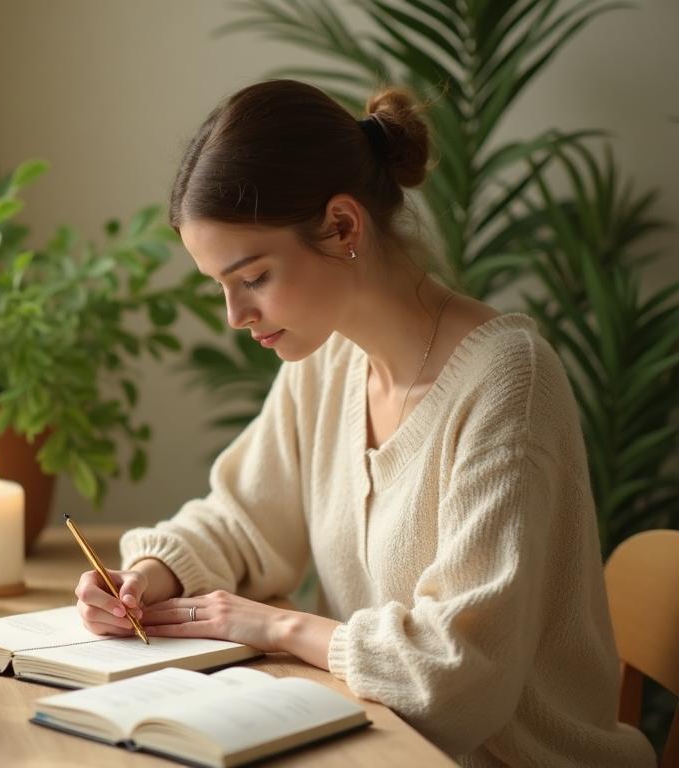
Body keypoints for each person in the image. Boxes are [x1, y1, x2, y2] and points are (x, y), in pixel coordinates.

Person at [73, 80, 655, 767]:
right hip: (378, 746)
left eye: (253, 277)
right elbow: (243, 519)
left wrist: (279, 626)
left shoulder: (509, 384)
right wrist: (147, 576)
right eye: (220, 287)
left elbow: (457, 673)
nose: (235, 316)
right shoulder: (327, 358)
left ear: (344, 226)